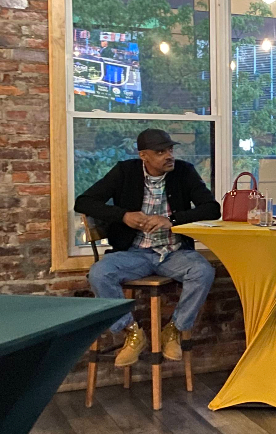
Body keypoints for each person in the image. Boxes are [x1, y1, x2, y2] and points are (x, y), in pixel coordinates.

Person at [74, 128, 221, 366]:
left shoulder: (184, 172)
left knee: (203, 271)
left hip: (174, 253)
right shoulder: (125, 171)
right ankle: (132, 332)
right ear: (144, 155)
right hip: (135, 253)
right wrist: (123, 216)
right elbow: (83, 202)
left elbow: (212, 209)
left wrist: (171, 221)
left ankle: (174, 329)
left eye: (170, 150)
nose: (168, 156)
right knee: (99, 274)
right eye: (160, 151)